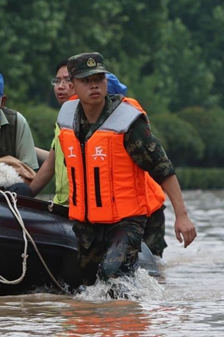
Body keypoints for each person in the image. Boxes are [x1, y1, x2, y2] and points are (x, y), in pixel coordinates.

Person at [56, 52, 197, 290]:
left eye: (99, 78)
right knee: (89, 284)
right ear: (73, 86)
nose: (94, 85)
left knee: (113, 274)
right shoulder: (67, 118)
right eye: (86, 80)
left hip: (125, 220)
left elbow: (163, 168)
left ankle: (131, 322)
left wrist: (182, 216)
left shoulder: (128, 122)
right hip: (87, 221)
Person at [29, 60, 75, 205]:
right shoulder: (63, 119)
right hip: (62, 205)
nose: (60, 87)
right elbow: (51, 163)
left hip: (82, 209)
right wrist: (25, 196)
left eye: (68, 80)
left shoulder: (89, 119)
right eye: (57, 81)